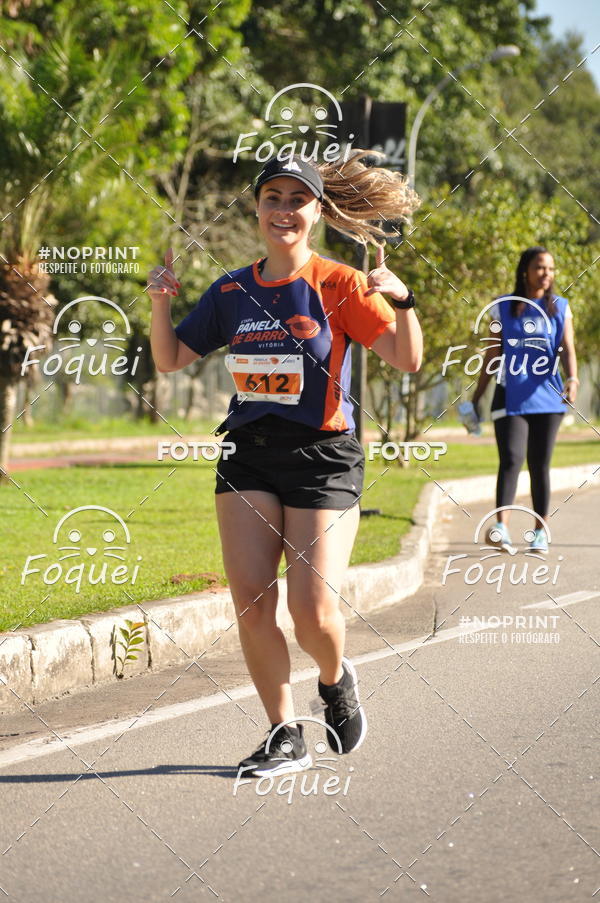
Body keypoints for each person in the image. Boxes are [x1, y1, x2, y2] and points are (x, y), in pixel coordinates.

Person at [148, 151, 423, 777]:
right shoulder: (230, 290)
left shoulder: (343, 284)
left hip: (322, 458)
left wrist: (404, 301)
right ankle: (283, 733)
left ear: (317, 211)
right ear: (257, 207)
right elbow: (171, 360)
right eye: (273, 197)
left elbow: (406, 360)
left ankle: (334, 677)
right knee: (250, 598)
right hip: (248, 452)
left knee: (312, 613)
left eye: (297, 200)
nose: (284, 210)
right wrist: (162, 301)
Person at [472, 246, 578, 554]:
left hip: (548, 398)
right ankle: (501, 528)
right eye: (540, 267)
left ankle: (540, 532)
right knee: (512, 459)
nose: (547, 273)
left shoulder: (560, 306)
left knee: (540, 464)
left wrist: (573, 380)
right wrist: (478, 396)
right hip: (510, 396)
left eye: (551, 269)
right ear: (525, 271)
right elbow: (492, 356)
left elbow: (568, 349)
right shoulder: (503, 308)